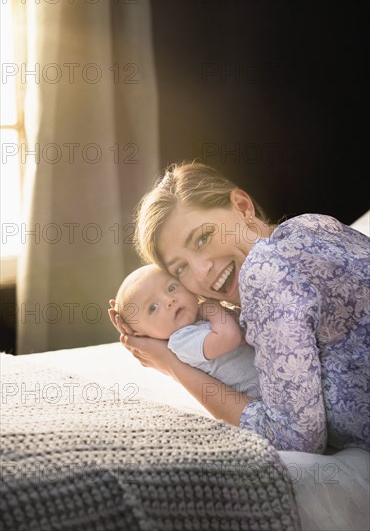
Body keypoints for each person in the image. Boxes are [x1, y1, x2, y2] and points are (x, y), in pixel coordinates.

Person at [109, 162, 370, 454]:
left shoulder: (262, 272)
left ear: (243, 206)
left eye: (203, 238)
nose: (201, 271)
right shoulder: (310, 225)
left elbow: (295, 440)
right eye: (180, 268)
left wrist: (171, 363)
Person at [114, 264, 259, 399]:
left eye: (171, 288)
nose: (169, 300)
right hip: (260, 391)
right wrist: (212, 308)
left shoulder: (199, 321)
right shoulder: (181, 341)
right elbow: (229, 336)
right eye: (153, 307)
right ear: (145, 335)